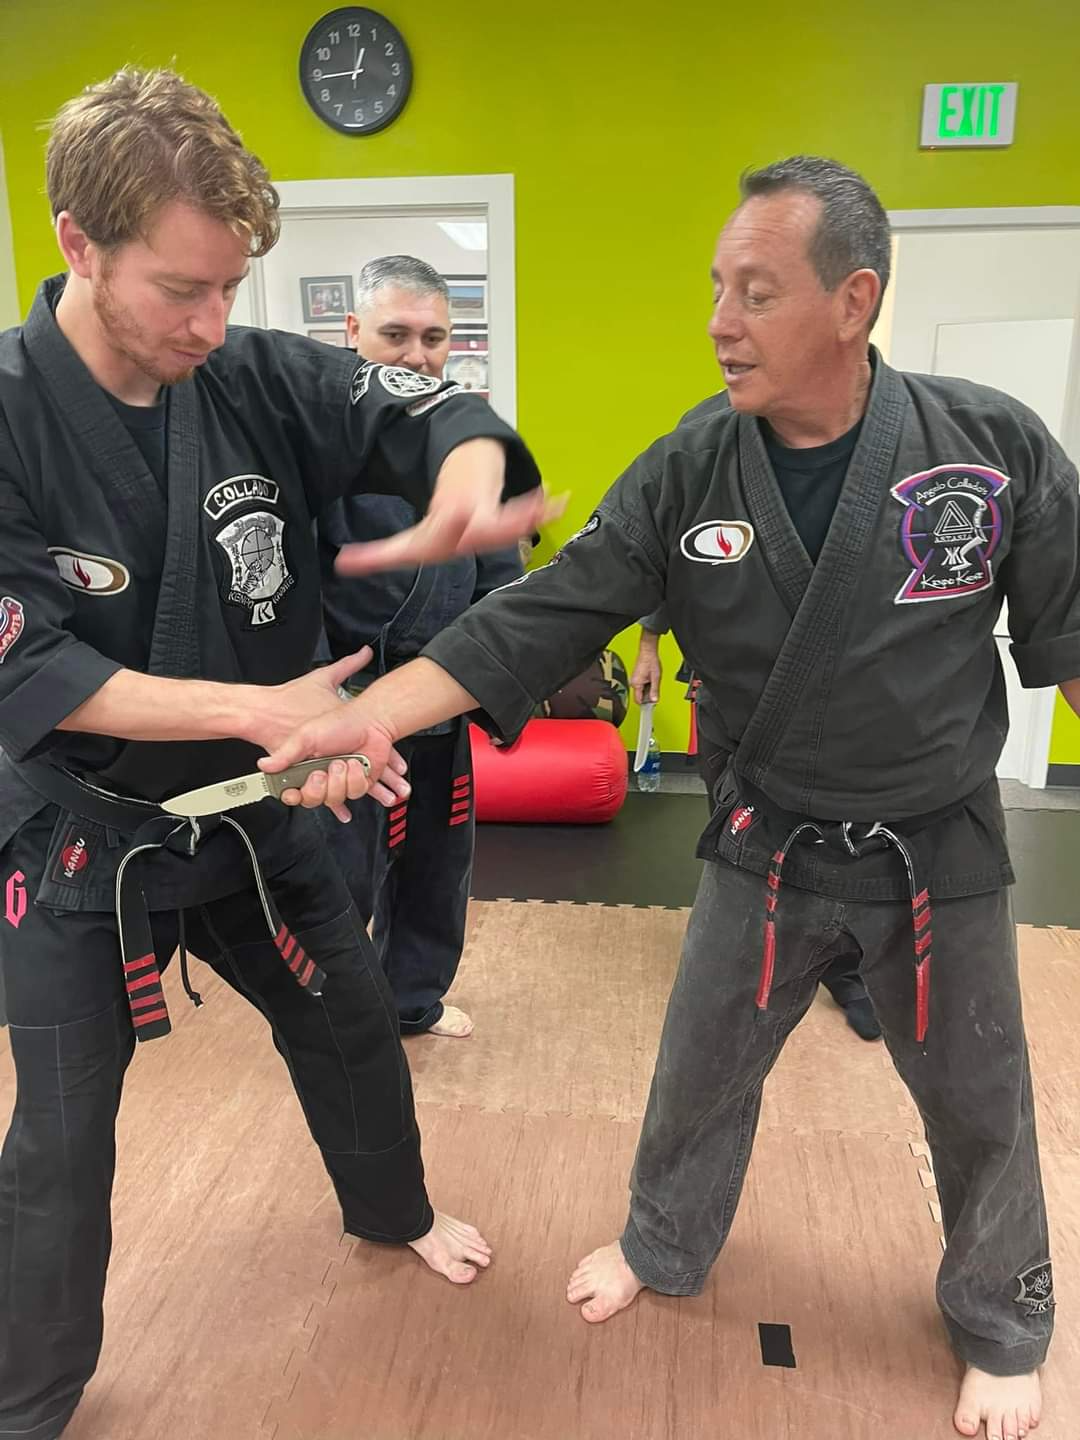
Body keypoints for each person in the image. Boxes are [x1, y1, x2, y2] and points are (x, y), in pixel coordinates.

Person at [264, 156, 1080, 1440]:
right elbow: (537, 618)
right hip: (764, 838)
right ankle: (663, 1246)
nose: (718, 321)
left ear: (853, 301)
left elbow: (1073, 643)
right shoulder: (693, 469)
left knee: (979, 1094)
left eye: (755, 292)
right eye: (717, 287)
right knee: (698, 1071)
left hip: (939, 847)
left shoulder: (989, 448)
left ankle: (1002, 1320)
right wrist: (356, 718)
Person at [0, 67, 550, 1440]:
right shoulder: (10, 415)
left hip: (257, 825)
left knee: (354, 1024)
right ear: (78, 241)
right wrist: (262, 715)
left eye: (234, 287)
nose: (214, 321)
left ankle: (396, 1209)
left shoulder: (244, 373)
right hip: (84, 847)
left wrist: (470, 463)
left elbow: (417, 403)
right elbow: (31, 666)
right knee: (60, 1151)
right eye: (183, 288)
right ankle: (28, 1399)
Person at [316, 255, 522, 1038]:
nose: (418, 355)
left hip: (441, 696)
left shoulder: (474, 445)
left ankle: (412, 1000)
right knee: (341, 872)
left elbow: (503, 580)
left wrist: (490, 676)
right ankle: (332, 1018)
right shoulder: (316, 450)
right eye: (395, 333)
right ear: (352, 332)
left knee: (438, 868)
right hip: (344, 704)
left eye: (434, 336)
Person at [631, 609, 882, 1040]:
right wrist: (648, 645)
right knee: (733, 828)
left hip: (822, 679)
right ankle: (744, 959)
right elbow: (673, 556)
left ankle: (845, 972)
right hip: (721, 676)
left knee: (830, 828)